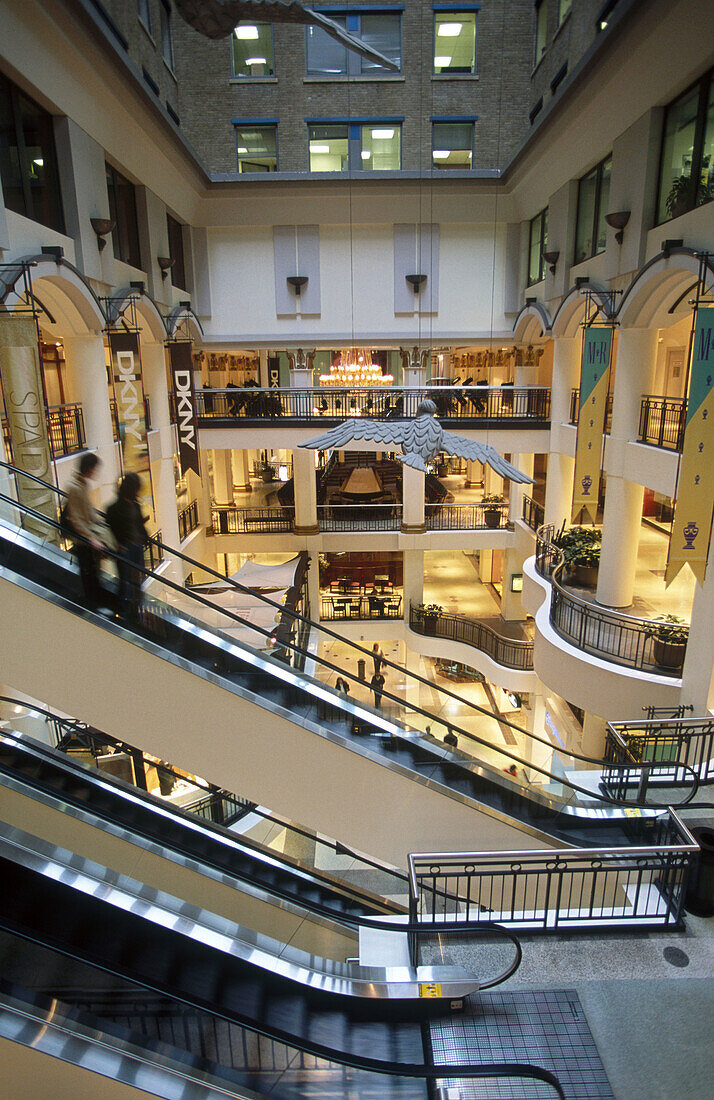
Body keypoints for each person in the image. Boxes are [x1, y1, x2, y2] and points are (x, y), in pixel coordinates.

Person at [65, 452, 106, 611]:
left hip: (88, 538)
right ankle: (93, 608)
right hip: (83, 541)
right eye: (95, 468)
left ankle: (96, 605)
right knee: (89, 575)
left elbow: (88, 513)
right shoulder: (74, 487)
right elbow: (76, 517)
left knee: (93, 574)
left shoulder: (82, 485)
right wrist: (91, 538)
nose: (96, 472)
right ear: (89, 468)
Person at [105, 472, 149, 620]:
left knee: (137, 580)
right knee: (125, 580)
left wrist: (145, 538)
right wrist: (119, 544)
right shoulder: (115, 508)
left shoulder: (135, 504)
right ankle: (124, 611)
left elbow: (139, 524)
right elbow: (110, 528)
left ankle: (136, 610)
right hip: (125, 548)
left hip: (136, 546)